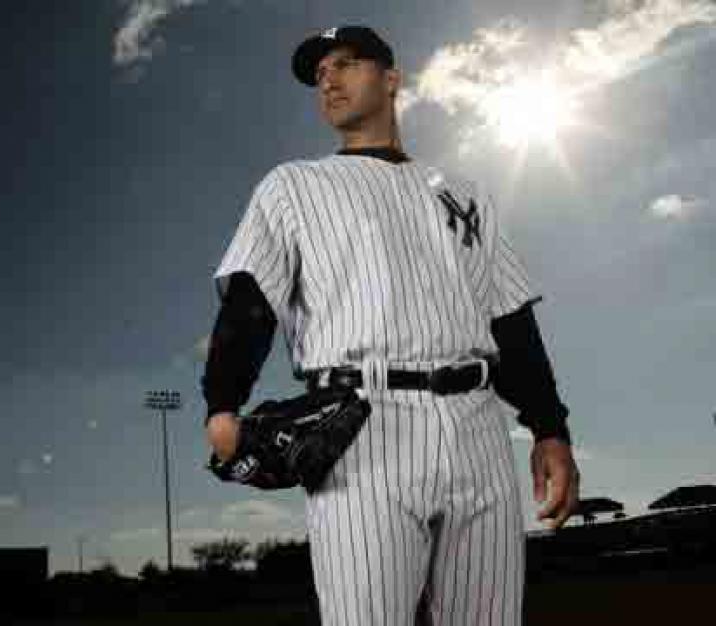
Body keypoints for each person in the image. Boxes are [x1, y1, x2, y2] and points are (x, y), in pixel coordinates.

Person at [201, 25, 580, 625]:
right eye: (320, 73)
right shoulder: (293, 185)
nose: (328, 79)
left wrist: (549, 429)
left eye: (346, 63)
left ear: (391, 79)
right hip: (362, 428)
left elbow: (508, 317)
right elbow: (251, 299)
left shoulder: (465, 193)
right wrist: (222, 403)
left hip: (478, 428)